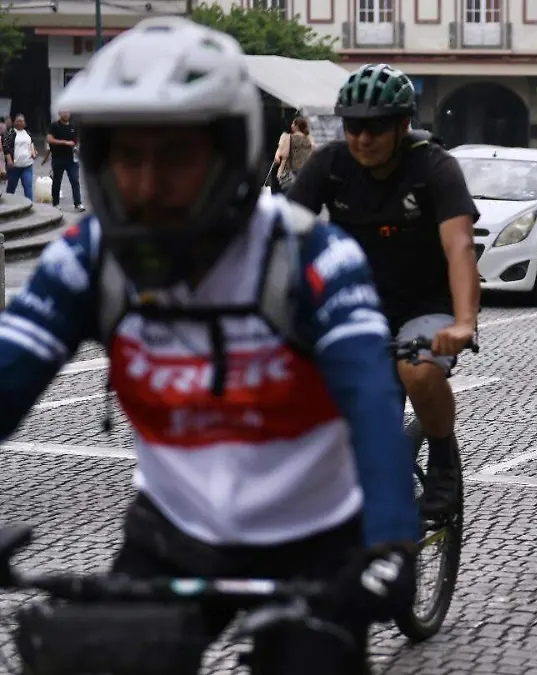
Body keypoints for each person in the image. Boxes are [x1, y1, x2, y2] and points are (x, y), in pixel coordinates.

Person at [0, 18, 419, 673]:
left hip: (313, 538)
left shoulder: (311, 254)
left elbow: (370, 398)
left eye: (175, 158)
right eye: (125, 158)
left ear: (229, 155)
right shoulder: (88, 257)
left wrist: (393, 537)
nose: (143, 185)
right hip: (173, 532)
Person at [286, 63, 481, 516]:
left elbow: (459, 248)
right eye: (354, 127)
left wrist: (465, 321)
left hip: (427, 305)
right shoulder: (330, 165)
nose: (363, 139)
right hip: (355, 304)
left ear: (403, 125)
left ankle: (443, 460)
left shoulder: (434, 167)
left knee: (418, 370)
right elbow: (282, 236)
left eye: (376, 128)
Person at [47, 108, 84, 211]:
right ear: (59, 113)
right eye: (63, 112)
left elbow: (77, 141)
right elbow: (49, 139)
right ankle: (55, 203)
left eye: (67, 112)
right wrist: (65, 142)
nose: (66, 114)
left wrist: (77, 148)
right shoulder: (54, 126)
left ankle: (78, 203)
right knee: (57, 181)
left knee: (75, 180)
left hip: (71, 159)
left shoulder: (73, 126)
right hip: (58, 158)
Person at [274, 115, 314, 193]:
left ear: (297, 126)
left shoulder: (289, 137)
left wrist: (281, 169)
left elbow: (285, 155)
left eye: (293, 123)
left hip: (292, 171)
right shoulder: (309, 138)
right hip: (305, 172)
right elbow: (313, 151)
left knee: (290, 195)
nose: (291, 125)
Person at [3, 114, 37, 201]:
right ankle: (8, 204)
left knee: (28, 185)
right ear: (14, 122)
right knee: (11, 187)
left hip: (27, 165)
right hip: (14, 166)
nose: (20, 122)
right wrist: (9, 160)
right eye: (18, 121)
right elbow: (6, 147)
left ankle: (30, 204)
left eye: (22, 121)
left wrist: (34, 152)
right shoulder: (10, 133)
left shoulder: (27, 132)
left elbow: (31, 144)